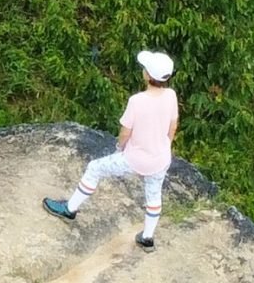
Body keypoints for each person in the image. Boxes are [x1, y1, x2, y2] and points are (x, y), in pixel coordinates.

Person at [44, 50, 178, 249]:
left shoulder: (137, 101)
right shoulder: (170, 95)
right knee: (153, 195)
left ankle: (70, 209)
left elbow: (125, 132)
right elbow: (172, 126)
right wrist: (164, 146)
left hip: (135, 158)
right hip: (161, 158)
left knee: (94, 168)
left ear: (148, 75)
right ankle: (147, 238)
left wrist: (120, 148)